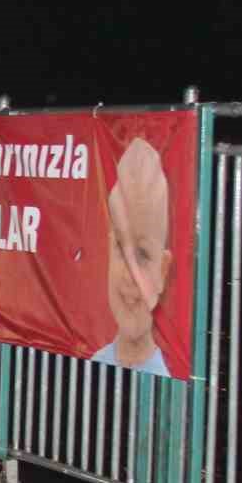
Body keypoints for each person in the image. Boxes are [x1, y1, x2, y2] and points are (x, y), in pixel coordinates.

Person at [91, 137, 173, 376]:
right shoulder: (93, 362)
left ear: (163, 270)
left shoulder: (164, 382)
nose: (129, 275)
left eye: (143, 255)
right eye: (120, 248)